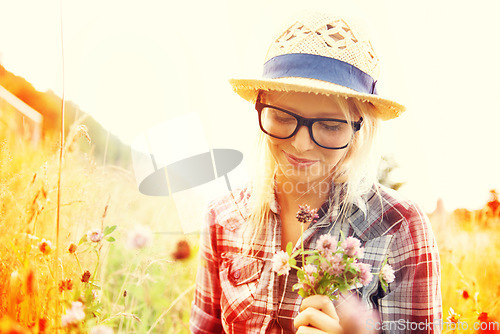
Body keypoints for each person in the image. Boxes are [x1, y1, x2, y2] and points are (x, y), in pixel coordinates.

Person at [190, 11, 442, 334]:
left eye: (329, 125)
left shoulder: (400, 228)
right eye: (282, 117)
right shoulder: (222, 218)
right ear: (260, 107)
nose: (301, 144)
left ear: (358, 129)